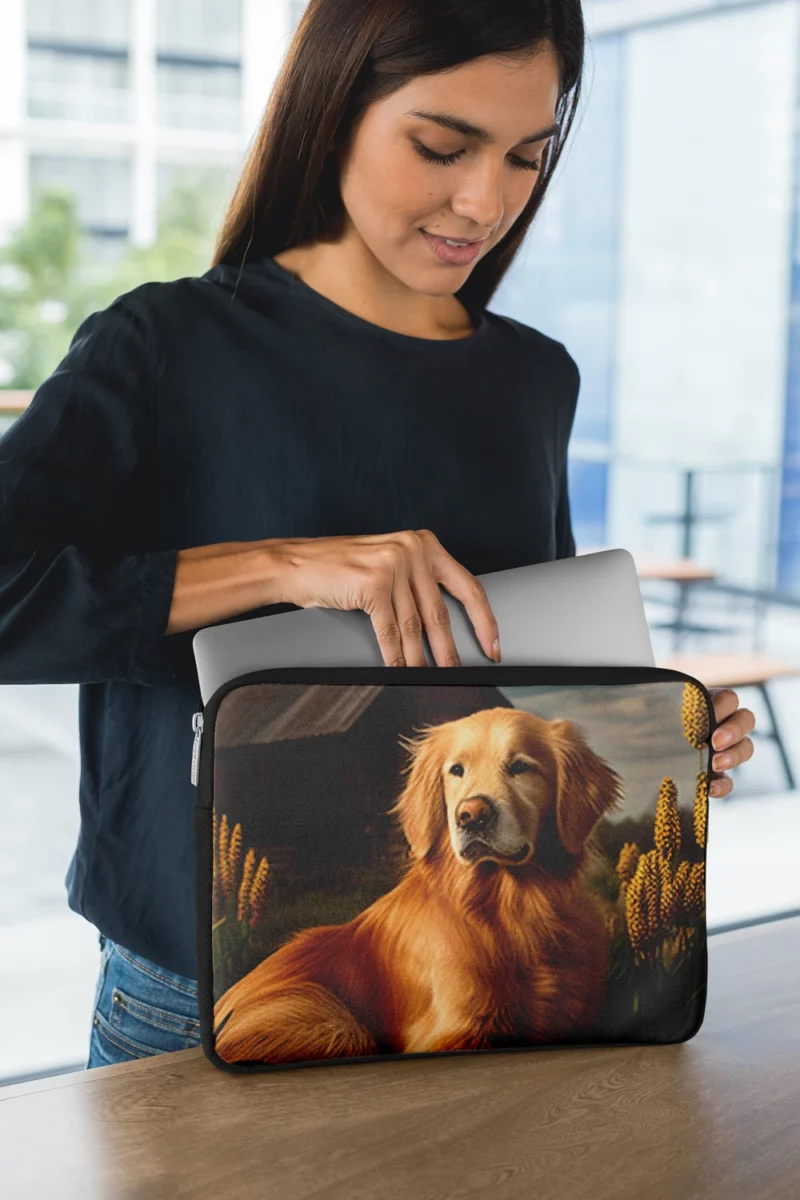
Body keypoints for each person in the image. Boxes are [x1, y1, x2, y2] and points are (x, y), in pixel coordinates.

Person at [0, 0, 755, 1070]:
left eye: (524, 158)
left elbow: (521, 669)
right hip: (206, 998)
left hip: (506, 985)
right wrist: (286, 566)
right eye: (440, 147)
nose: (482, 201)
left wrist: (664, 728)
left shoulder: (535, 378)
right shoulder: (163, 345)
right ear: (332, 108)